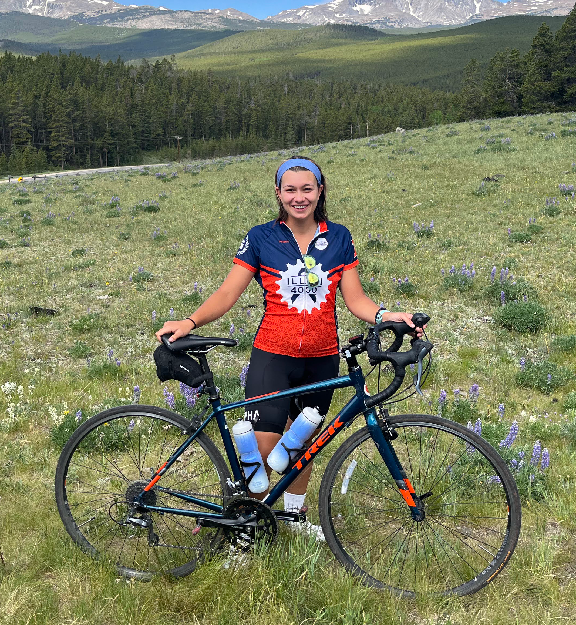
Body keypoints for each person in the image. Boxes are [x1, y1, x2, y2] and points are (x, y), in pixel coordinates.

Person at [156, 156, 421, 523]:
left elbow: (356, 298)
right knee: (264, 449)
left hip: (322, 356)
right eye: (291, 190)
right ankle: (252, 521)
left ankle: (295, 517)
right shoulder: (262, 236)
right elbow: (228, 293)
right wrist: (190, 320)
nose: (300, 197)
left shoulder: (339, 237)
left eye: (307, 189)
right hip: (273, 355)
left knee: (303, 447)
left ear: (320, 191)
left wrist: (387, 316)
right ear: (279, 193)